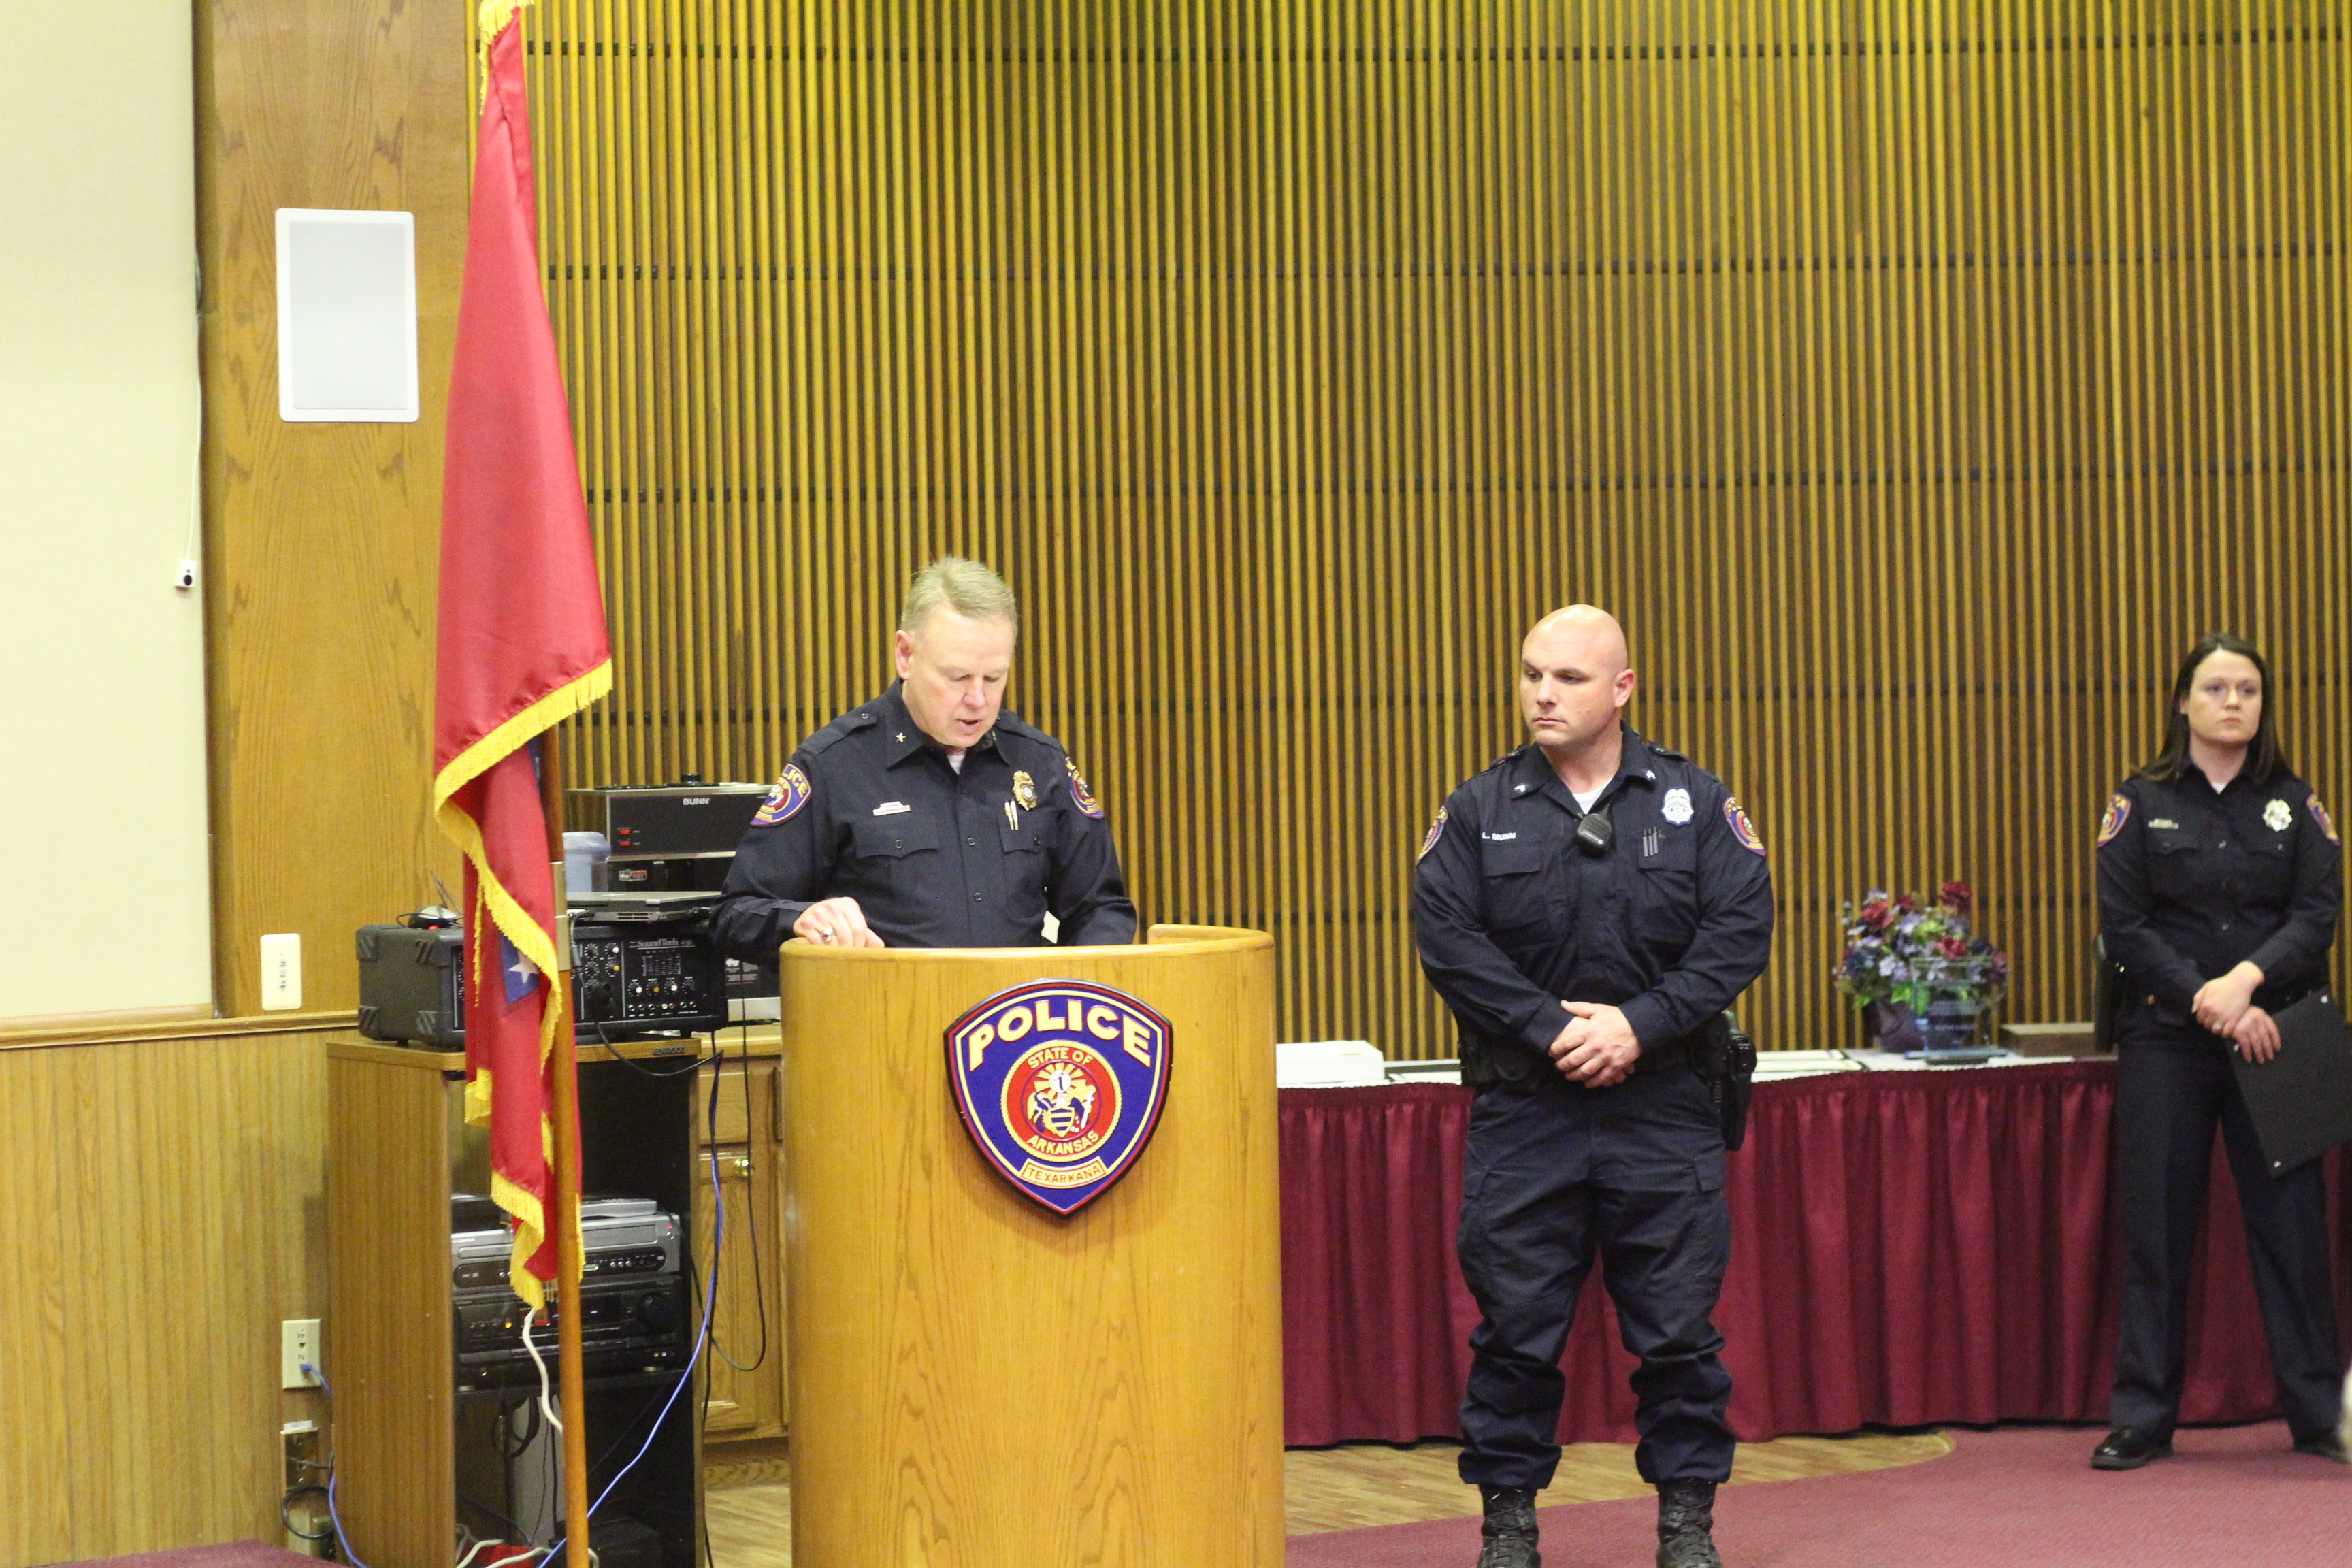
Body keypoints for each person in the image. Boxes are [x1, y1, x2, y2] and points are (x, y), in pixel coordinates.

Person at [1411, 606, 1774, 1568]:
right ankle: (1509, 1527)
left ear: (1622, 689)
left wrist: (1638, 1025)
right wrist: (1554, 1028)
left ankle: (1687, 1527)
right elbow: (1448, 939)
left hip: (1663, 1109)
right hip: (1528, 1110)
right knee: (1515, 1334)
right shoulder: (1478, 808)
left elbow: (1740, 931)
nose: (1543, 694)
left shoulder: (1694, 800)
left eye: (1568, 678)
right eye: (1532, 673)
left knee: (1679, 1336)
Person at [2093, 632, 2347, 1469]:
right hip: (2169, 1037)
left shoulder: (2295, 803)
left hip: (2279, 1035)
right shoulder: (2140, 802)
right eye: (2215, 688)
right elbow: (2127, 928)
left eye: (2248, 689)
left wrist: (2244, 983)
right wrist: (2216, 1004)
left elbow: (2316, 914)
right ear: (2183, 702)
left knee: (2295, 1233)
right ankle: (2143, 1416)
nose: (2234, 702)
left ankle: (2318, 1414)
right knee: (2158, 1229)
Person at [711, 556, 1136, 958]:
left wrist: (1079, 982)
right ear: (906, 655)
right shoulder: (833, 765)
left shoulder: (1040, 761)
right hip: (887, 1006)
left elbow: (1100, 908)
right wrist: (802, 920)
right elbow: (736, 915)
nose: (978, 699)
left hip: (1014, 1008)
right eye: (957, 677)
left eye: (994, 678)